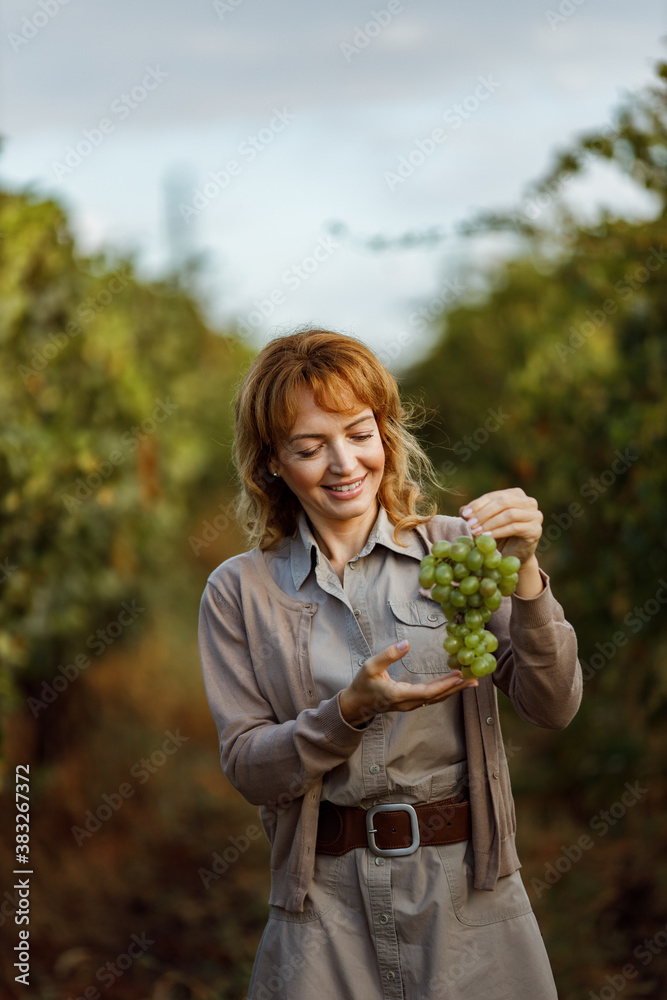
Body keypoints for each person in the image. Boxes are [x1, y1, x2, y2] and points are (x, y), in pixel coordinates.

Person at [198, 328, 582, 1000]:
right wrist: (348, 712)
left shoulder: (456, 552)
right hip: (322, 912)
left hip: (470, 895)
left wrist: (524, 572)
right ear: (271, 464)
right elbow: (250, 768)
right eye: (310, 448)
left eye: (358, 433)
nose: (344, 464)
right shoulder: (239, 591)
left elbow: (553, 706)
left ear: (385, 435)